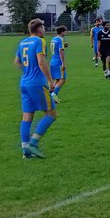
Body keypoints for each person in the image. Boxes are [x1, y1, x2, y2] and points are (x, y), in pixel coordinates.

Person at [15, 18, 56, 159]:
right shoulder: (39, 41)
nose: (44, 29)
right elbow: (41, 61)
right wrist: (50, 81)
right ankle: (33, 143)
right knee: (51, 114)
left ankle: (25, 150)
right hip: (37, 83)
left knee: (27, 116)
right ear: (39, 29)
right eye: (43, 27)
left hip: (24, 83)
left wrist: (27, 72)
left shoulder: (23, 42)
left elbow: (17, 62)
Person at [49, 26, 68, 103]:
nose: (66, 33)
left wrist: (64, 46)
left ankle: (50, 95)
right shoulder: (60, 39)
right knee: (63, 79)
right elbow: (61, 52)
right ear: (62, 32)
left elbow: (55, 49)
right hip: (58, 61)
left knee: (57, 79)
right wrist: (63, 63)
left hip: (52, 61)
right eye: (65, 31)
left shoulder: (53, 39)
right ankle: (54, 94)